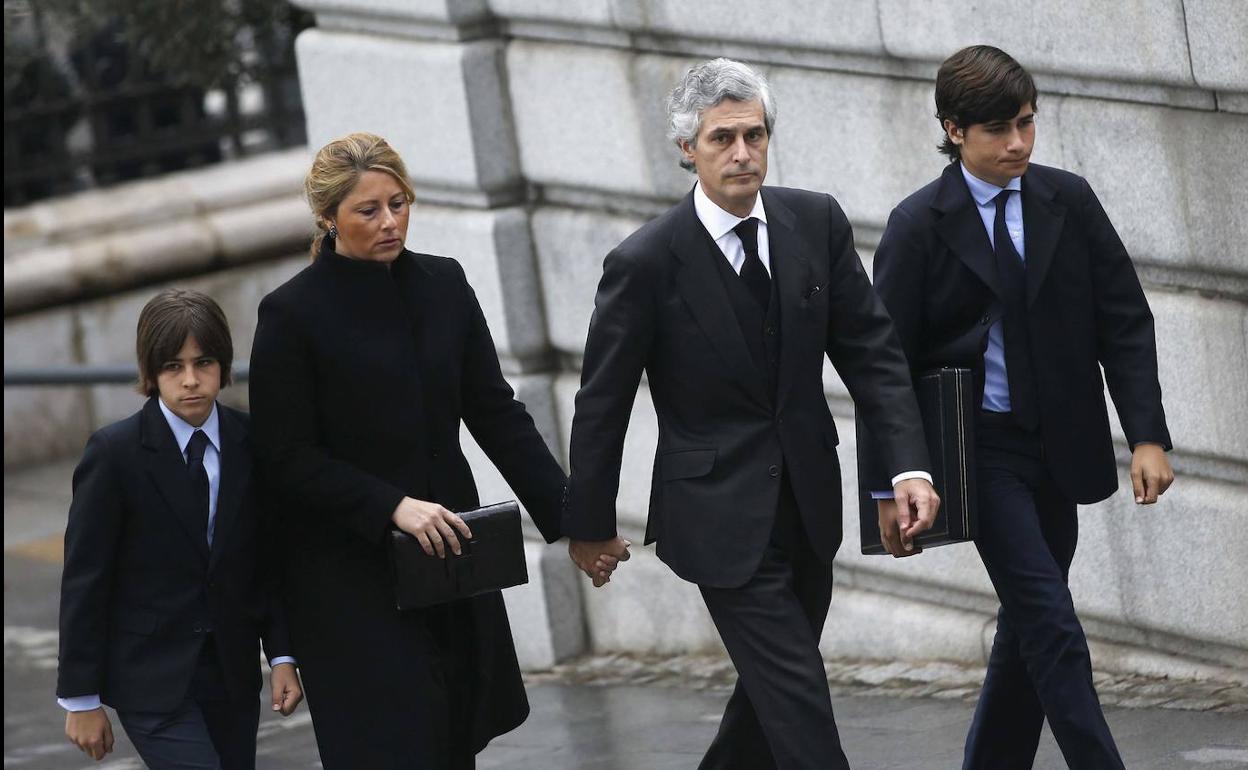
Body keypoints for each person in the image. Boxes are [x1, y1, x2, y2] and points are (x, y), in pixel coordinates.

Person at [561, 58, 941, 769]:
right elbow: (601, 402)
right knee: (795, 693)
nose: (743, 153)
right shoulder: (643, 262)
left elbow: (873, 355)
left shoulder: (815, 221)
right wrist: (588, 523)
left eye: (754, 135)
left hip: (808, 503)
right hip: (715, 517)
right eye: (722, 139)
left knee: (767, 699)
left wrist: (904, 471)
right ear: (687, 149)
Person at [247, 132, 607, 770]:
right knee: (396, 745)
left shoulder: (444, 283)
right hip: (347, 578)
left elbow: (496, 414)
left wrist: (576, 521)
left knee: (451, 738)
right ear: (328, 218)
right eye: (368, 210)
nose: (389, 222)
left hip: (447, 560)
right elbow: (285, 459)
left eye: (399, 202)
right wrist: (391, 506)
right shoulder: (289, 316)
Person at [861, 45, 1175, 769]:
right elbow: (885, 366)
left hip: (1060, 450)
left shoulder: (1069, 199)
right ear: (953, 130)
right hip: (980, 453)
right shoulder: (918, 225)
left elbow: (1123, 319)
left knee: (1027, 629)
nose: (1019, 144)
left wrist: (1148, 437)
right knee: (1052, 624)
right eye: (1000, 129)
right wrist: (889, 482)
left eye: (1028, 124)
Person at [57, 288, 303, 768]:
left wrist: (281, 656)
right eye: (173, 366)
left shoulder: (249, 441)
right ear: (151, 374)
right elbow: (85, 578)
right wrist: (80, 699)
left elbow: (266, 559)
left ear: (224, 366)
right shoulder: (114, 454)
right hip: (150, 682)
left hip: (230, 675)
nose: (190, 380)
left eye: (203, 363)